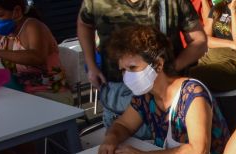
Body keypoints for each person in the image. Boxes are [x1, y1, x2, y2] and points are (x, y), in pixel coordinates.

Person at [97, 25, 229, 154]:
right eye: (123, 70)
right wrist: (110, 140)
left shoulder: (192, 93)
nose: (127, 75)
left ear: (158, 64)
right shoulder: (145, 96)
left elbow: (198, 151)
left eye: (133, 68)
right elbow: (123, 125)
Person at [77, 0, 207, 136]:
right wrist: (91, 64)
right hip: (116, 91)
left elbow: (199, 41)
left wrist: (169, 68)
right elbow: (84, 24)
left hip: (164, 95)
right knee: (118, 145)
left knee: (162, 148)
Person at [0, 0, 70, 103]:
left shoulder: (33, 26)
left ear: (17, 11)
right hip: (19, 92)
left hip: (50, 94)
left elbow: (37, 57)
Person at [188, 0, 236, 92]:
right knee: (181, 74)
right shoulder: (218, 9)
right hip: (208, 60)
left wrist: (234, 11)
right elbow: (205, 39)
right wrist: (232, 44)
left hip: (232, 65)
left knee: (191, 76)